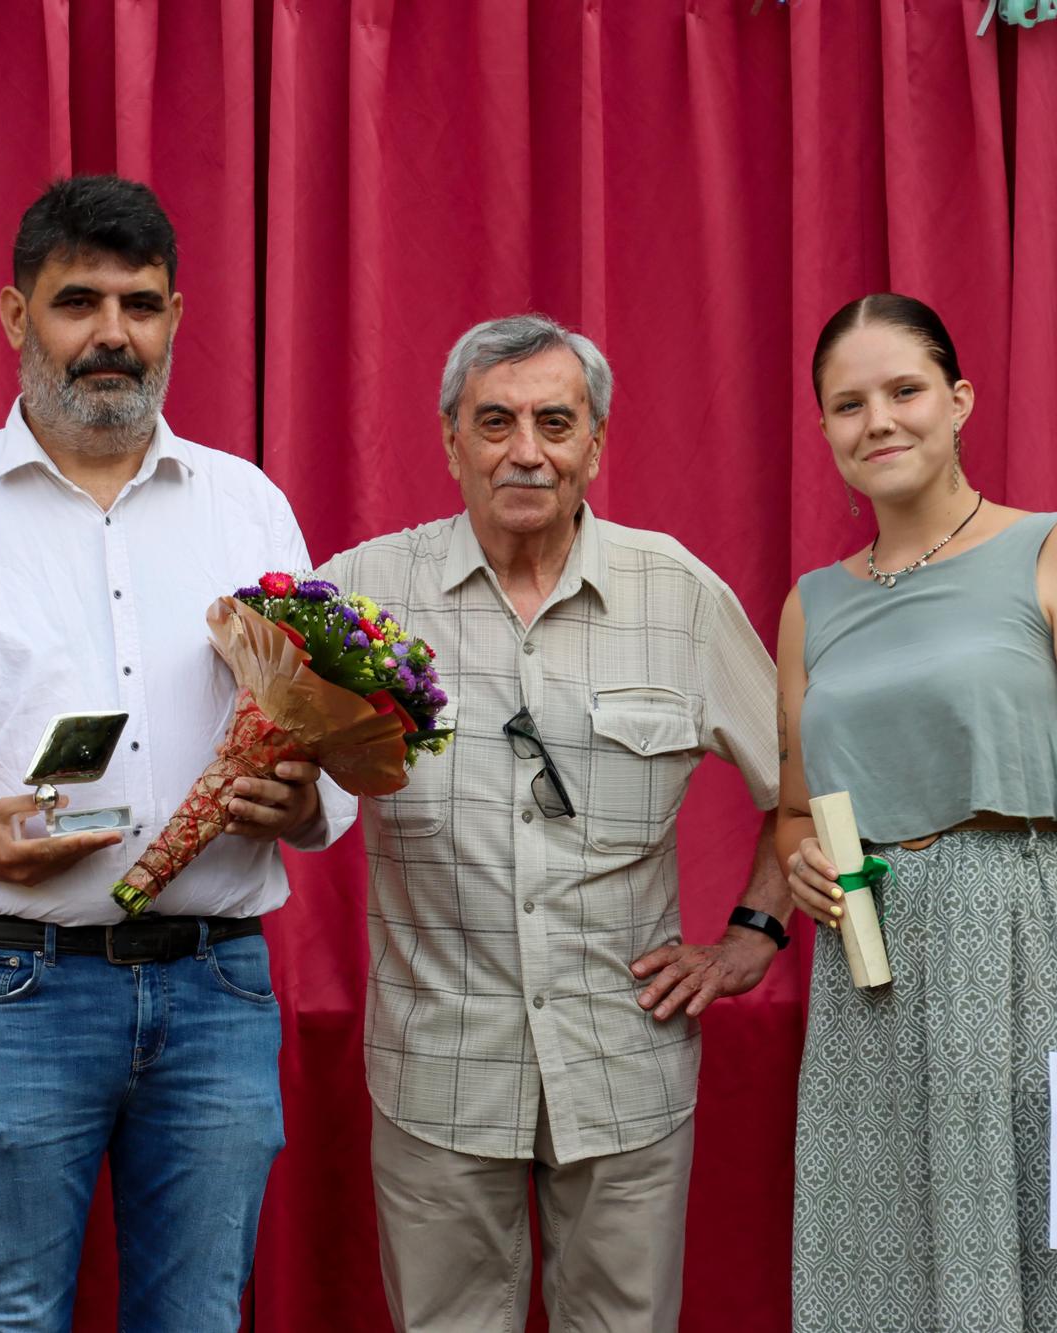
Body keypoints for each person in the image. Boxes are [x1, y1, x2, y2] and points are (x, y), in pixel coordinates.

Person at [0, 175, 355, 1332]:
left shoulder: (248, 508)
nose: (109, 335)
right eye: (75, 301)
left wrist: (298, 798)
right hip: (11, 982)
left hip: (217, 983)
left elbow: (323, 738)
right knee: (8, 1318)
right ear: (13, 315)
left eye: (138, 305)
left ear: (176, 317)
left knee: (198, 1318)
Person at [318, 314, 788, 1332]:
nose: (524, 450)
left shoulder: (677, 596)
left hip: (625, 1071)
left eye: (552, 422)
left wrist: (752, 934)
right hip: (437, 1075)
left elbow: (801, 787)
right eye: (493, 422)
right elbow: (274, 770)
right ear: (448, 440)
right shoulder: (357, 594)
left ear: (594, 443)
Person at [777, 293, 1057, 1331]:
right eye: (847, 404)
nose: (876, 421)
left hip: (1040, 951)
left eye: (902, 391)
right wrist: (802, 861)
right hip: (872, 990)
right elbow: (799, 808)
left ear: (957, 400)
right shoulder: (811, 604)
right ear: (823, 430)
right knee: (893, 1271)